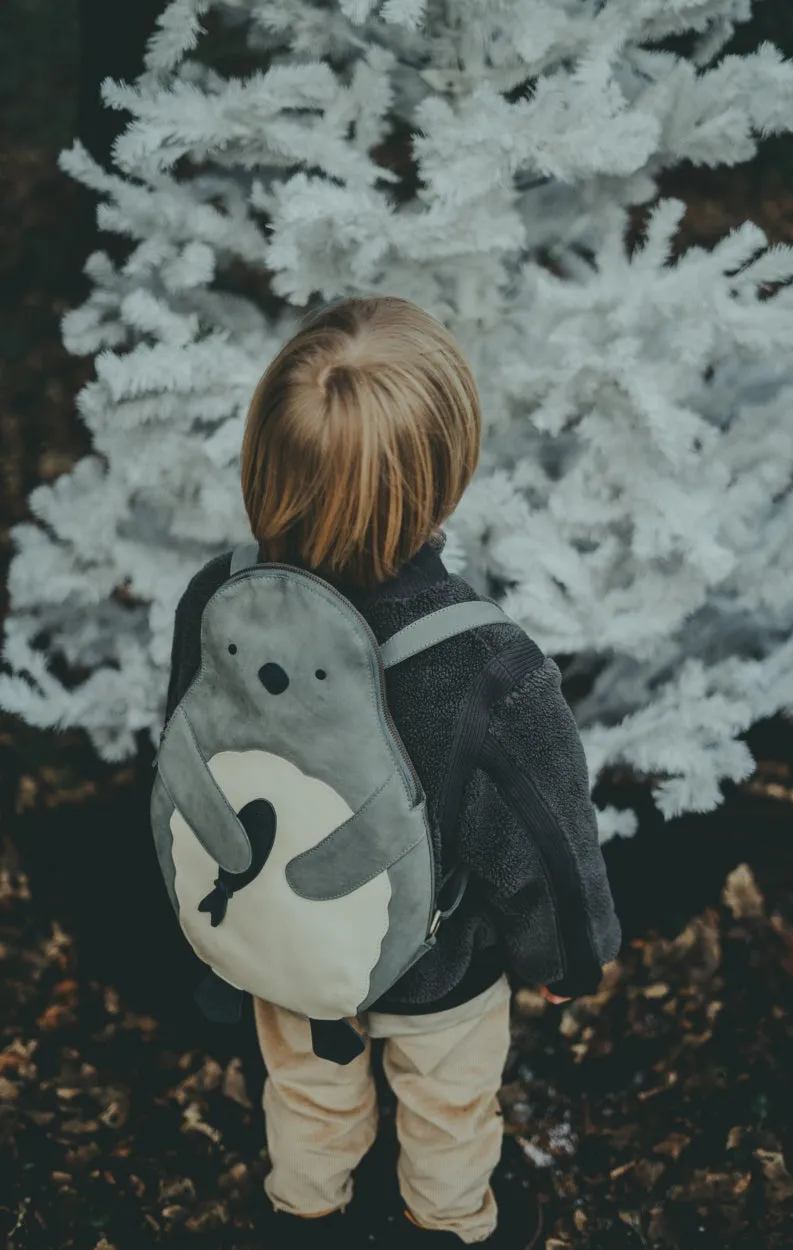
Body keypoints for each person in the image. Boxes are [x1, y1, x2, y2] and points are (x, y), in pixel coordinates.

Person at [163, 295, 622, 1249]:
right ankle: (446, 1227)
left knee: (306, 1092)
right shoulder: (487, 665)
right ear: (445, 476)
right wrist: (564, 960)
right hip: (436, 971)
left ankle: (307, 1217)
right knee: (448, 1111)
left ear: (265, 457)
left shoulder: (218, 600)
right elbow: (541, 837)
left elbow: (186, 753)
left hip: (285, 949)